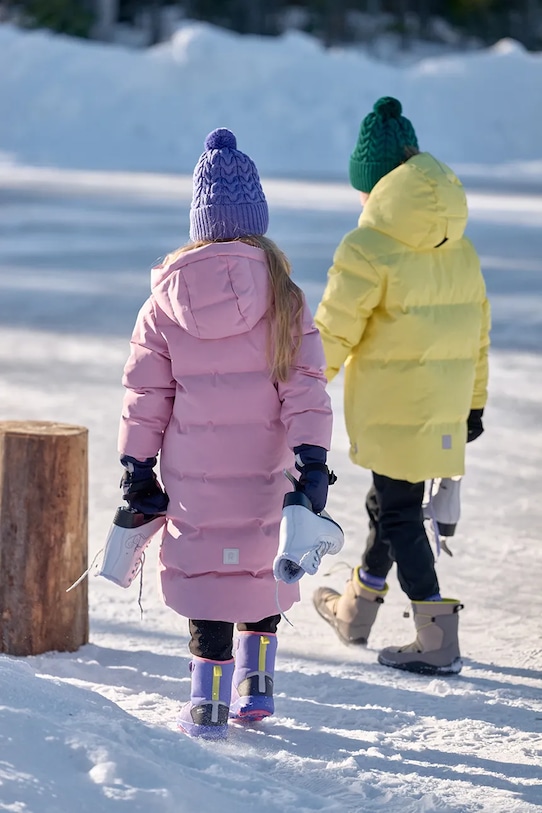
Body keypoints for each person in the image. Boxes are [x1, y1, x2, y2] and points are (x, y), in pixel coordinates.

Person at [117, 128, 333, 739]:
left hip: (195, 474)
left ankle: (207, 703)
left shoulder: (163, 301)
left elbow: (146, 395)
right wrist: (311, 460)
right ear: (257, 218)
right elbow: (306, 387)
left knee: (208, 571)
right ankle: (257, 686)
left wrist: (137, 466)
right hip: (266, 470)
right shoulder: (286, 296)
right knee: (259, 564)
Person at [312, 97, 490, 676]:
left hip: (393, 410)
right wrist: (474, 403)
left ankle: (437, 637)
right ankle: (357, 609)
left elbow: (334, 332)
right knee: (392, 504)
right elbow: (478, 332)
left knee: (397, 514)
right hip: (443, 409)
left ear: (374, 187)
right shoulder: (459, 246)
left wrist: (299, 385)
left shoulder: (366, 247)